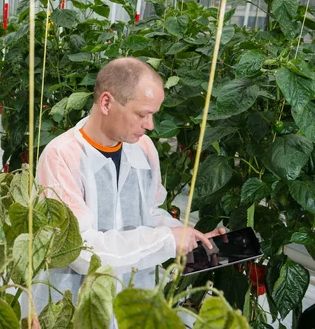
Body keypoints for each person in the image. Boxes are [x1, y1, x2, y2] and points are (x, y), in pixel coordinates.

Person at [34, 57, 225, 312]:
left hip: (132, 300)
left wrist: (188, 237)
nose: (150, 125)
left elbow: (150, 212)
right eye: (142, 114)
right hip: (76, 305)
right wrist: (164, 240)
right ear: (106, 102)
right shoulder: (62, 156)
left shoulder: (143, 149)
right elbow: (79, 251)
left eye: (153, 114)